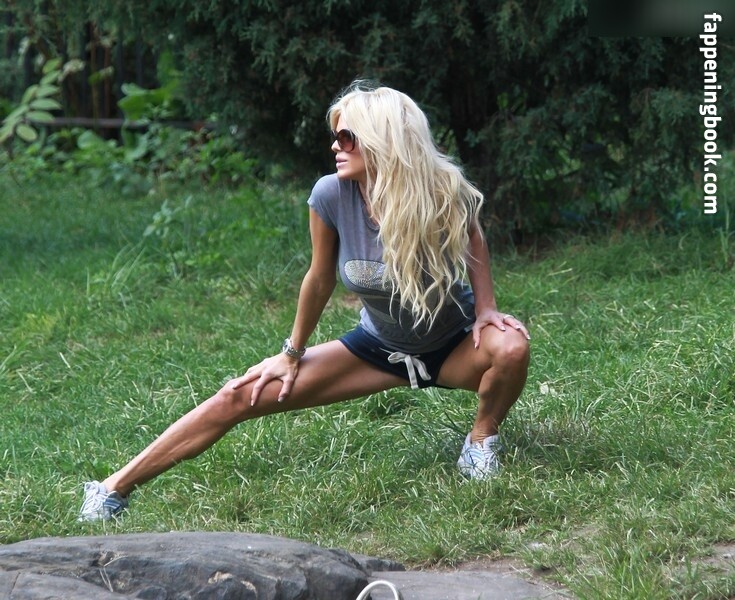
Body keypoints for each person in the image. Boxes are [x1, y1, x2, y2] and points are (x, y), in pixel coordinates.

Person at [79, 82, 531, 522]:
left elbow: (473, 236)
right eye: (335, 136)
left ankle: (480, 440)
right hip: (378, 349)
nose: (335, 146)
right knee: (238, 395)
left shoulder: (441, 189)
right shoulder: (331, 194)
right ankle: (112, 489)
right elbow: (318, 279)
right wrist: (291, 352)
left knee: (511, 347)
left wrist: (487, 307)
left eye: (346, 137)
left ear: (382, 139)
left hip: (453, 343)